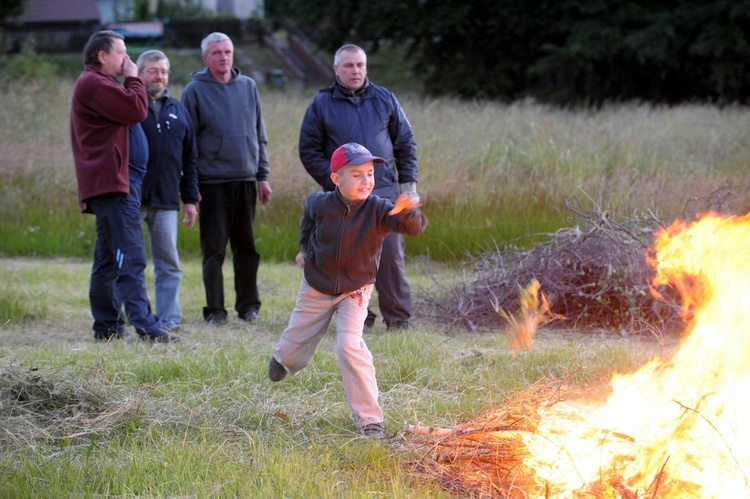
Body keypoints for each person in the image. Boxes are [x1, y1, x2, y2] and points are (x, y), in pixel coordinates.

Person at [268, 143, 428, 439]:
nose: (366, 181)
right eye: (356, 175)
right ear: (336, 179)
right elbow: (308, 225)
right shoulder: (318, 203)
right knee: (293, 349)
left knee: (349, 346)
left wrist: (409, 212)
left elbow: (415, 228)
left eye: (369, 174)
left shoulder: (380, 209)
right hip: (316, 286)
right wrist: (304, 249)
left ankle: (370, 421)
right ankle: (284, 360)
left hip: (356, 290)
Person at [299, 43, 420, 331]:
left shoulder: (385, 99)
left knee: (390, 258)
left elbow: (405, 143)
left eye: (360, 65)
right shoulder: (321, 104)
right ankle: (359, 318)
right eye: (349, 65)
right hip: (346, 200)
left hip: (386, 190)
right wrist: (339, 183)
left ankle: (398, 318)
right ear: (336, 69)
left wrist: (410, 185)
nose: (355, 70)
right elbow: (309, 149)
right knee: (351, 257)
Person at [70, 30, 178, 343]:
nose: (127, 60)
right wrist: (134, 79)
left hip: (119, 182)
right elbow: (136, 110)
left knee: (108, 258)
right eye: (121, 53)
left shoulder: (100, 84)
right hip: (115, 184)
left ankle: (106, 326)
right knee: (130, 257)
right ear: (102, 55)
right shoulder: (94, 83)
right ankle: (149, 328)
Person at [181, 32, 273, 325]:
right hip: (212, 182)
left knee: (247, 249)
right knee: (214, 250)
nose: (223, 57)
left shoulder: (248, 86)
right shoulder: (194, 91)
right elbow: (188, 144)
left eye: (227, 51)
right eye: (217, 52)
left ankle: (248, 306)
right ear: (206, 57)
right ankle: (215, 311)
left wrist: (263, 176)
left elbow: (259, 135)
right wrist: (191, 187)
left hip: (246, 178)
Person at [136, 50, 200, 332]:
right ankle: (134, 316)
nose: (159, 76)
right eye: (153, 71)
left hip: (166, 201)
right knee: (130, 262)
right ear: (140, 73)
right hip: (132, 200)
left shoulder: (178, 110)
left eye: (163, 71)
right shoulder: (130, 108)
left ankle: (169, 319)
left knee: (169, 263)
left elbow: (190, 158)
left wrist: (190, 199)